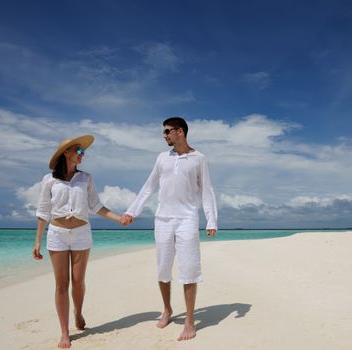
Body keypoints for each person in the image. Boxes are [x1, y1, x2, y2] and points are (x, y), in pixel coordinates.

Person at [121, 117, 218, 341]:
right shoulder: (162, 158)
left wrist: (211, 220)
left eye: (167, 131)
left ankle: (190, 320)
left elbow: (207, 191)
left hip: (187, 219)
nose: (164, 135)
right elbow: (149, 187)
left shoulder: (199, 158)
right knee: (163, 269)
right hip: (163, 220)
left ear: (180, 132)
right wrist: (131, 212)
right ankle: (167, 309)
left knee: (189, 269)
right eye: (164, 132)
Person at [33, 135, 125, 349]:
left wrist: (119, 218)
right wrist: (37, 241)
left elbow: (97, 206)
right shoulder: (49, 180)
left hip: (82, 233)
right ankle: (65, 332)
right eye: (79, 151)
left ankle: (78, 312)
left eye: (83, 152)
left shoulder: (86, 179)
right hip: (57, 233)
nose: (82, 154)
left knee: (78, 282)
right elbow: (42, 211)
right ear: (66, 153)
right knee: (61, 285)